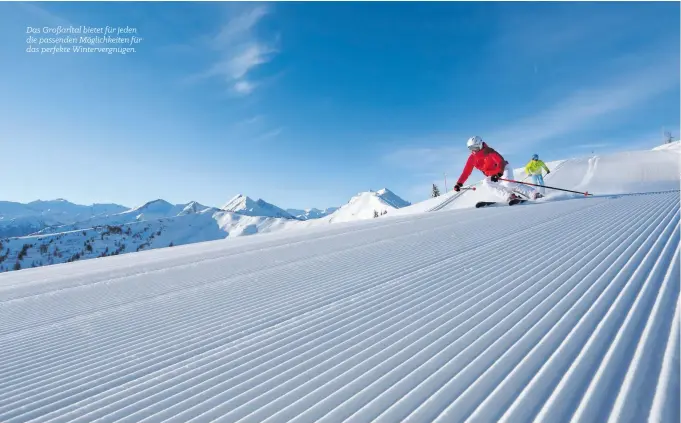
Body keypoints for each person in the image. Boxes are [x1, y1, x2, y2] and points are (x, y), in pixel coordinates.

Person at [453, 136, 543, 203]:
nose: (474, 151)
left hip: (504, 169)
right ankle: (510, 196)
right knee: (486, 183)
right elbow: (466, 172)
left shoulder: (489, 151)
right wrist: (459, 183)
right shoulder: (472, 158)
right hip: (493, 175)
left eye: (475, 148)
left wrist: (499, 174)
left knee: (508, 183)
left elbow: (500, 161)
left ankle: (534, 194)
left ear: (480, 145)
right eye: (471, 149)